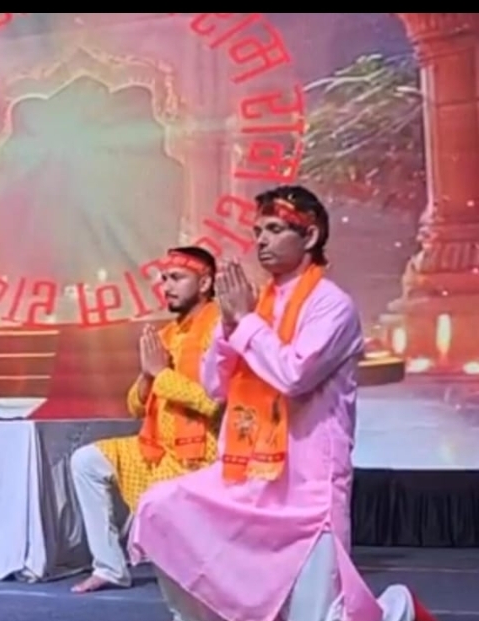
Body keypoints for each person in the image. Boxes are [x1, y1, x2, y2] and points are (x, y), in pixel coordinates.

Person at [128, 186, 436, 621]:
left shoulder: (332, 306)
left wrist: (245, 322)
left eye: (275, 230)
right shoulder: (253, 305)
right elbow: (215, 387)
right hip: (247, 476)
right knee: (161, 508)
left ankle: (398, 611)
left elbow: (293, 375)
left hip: (308, 486)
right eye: (258, 232)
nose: (262, 241)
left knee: (319, 615)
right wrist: (229, 327)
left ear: (310, 236)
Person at [69, 247, 222, 593]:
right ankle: (109, 567)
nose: (166, 286)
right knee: (86, 461)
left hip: (200, 454)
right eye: (164, 278)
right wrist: (147, 375)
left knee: (159, 509)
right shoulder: (167, 334)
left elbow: (213, 404)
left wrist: (161, 374)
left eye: (177, 278)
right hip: (157, 448)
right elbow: (136, 408)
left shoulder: (219, 331)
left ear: (205, 283)